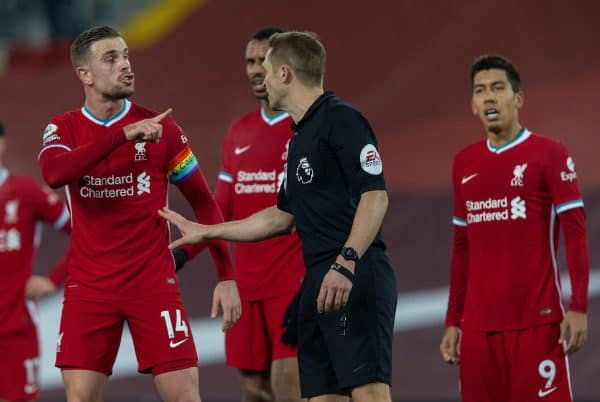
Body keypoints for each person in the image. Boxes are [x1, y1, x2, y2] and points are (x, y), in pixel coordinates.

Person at [159, 31, 397, 402]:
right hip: (319, 280)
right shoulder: (298, 139)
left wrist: (345, 262)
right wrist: (207, 231)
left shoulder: (343, 120)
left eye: (266, 69)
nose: (261, 78)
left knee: (367, 392)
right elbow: (280, 217)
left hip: (354, 274)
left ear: (285, 73)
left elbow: (375, 196)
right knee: (322, 396)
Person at [37, 26, 241, 402]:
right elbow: (54, 173)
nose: (126, 65)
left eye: (126, 55)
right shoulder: (63, 127)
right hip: (90, 289)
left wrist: (226, 274)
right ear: (85, 74)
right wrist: (122, 135)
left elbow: (205, 203)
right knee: (81, 398)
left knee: (185, 397)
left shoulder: (163, 129)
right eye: (111, 59)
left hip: (152, 285)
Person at [439, 55, 590, 402]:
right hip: (478, 332)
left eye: (497, 88)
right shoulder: (464, 162)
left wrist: (578, 307)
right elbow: (462, 248)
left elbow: (575, 233)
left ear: (517, 98)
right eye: (480, 91)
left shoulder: (549, 153)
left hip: (537, 325)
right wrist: (454, 320)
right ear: (473, 105)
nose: (489, 97)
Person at [209, 26, 305, 402]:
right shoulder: (238, 132)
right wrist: (179, 251)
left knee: (289, 386)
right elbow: (219, 207)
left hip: (292, 282)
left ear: (285, 67)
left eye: (262, 60)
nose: (254, 69)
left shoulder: (307, 127)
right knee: (252, 390)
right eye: (249, 61)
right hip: (246, 287)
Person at [0, 120, 70, 402]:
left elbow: (85, 231)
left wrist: (53, 279)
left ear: (2, 143)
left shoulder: (25, 192)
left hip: (15, 326)